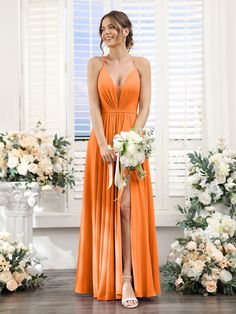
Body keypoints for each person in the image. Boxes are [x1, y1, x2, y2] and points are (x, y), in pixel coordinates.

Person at [74, 10, 161, 309]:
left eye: (112, 27)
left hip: (131, 143)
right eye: (102, 29)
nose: (106, 33)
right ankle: (105, 276)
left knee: (127, 208)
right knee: (105, 207)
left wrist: (130, 143)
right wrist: (101, 143)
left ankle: (126, 278)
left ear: (126, 30)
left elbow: (145, 107)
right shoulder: (95, 64)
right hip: (102, 144)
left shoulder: (143, 65)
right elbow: (94, 108)